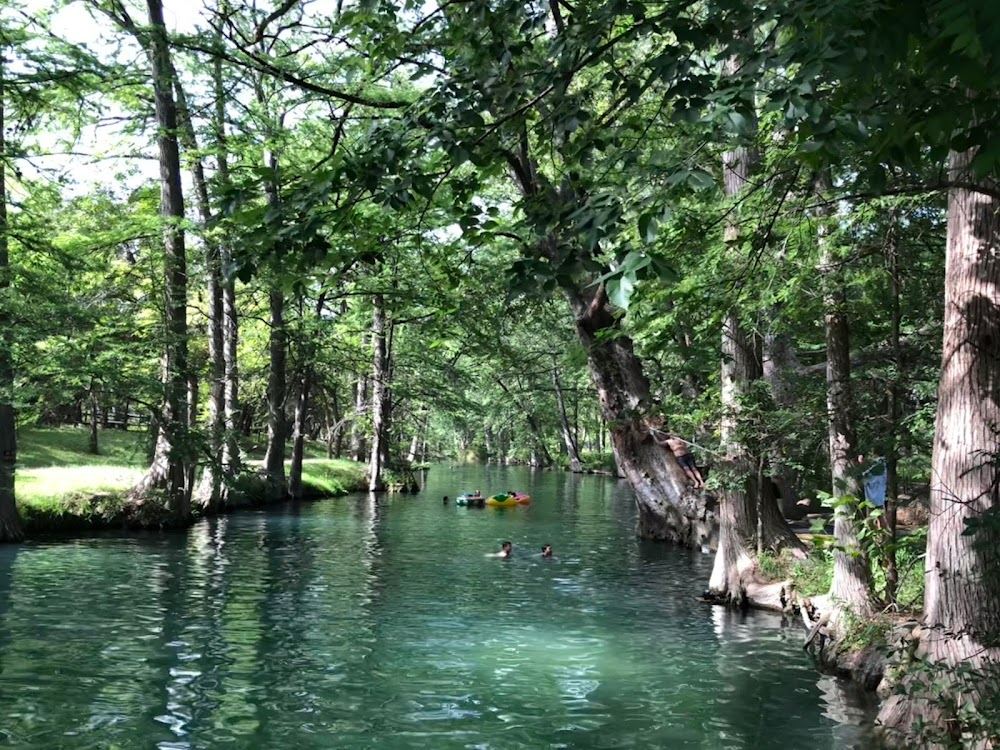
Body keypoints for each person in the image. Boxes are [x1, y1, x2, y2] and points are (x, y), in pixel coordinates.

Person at [858, 454, 887, 528]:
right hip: (878, 495)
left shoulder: (879, 463)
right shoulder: (883, 463)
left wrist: (861, 463)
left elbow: (868, 474)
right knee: (879, 517)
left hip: (874, 495)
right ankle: (879, 536)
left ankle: (875, 535)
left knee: (873, 517)